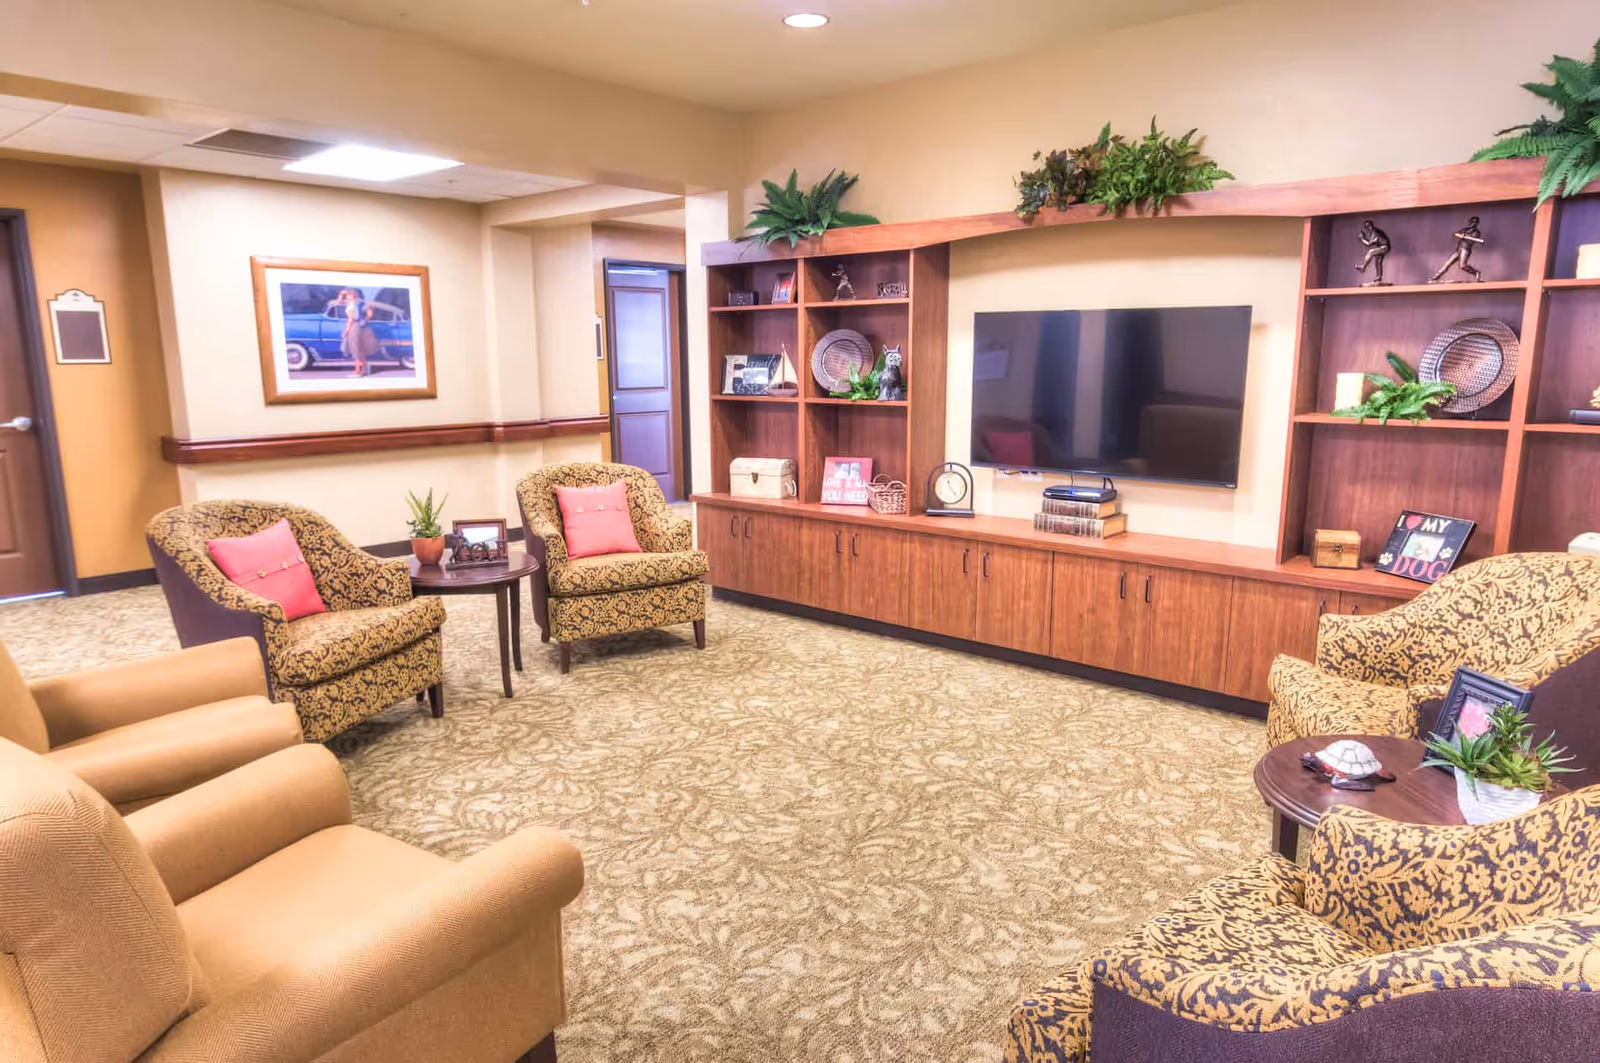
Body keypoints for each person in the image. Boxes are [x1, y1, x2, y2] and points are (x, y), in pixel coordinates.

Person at [338, 288, 378, 377]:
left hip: (354, 327)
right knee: (359, 349)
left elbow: (350, 319)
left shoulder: (351, 305)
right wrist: (364, 320)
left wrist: (346, 331)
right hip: (361, 326)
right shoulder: (360, 303)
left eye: (348, 295)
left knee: (355, 349)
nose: (346, 297)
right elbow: (370, 314)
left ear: (352, 295)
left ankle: (358, 371)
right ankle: (365, 368)